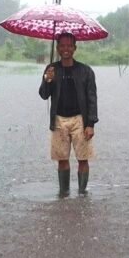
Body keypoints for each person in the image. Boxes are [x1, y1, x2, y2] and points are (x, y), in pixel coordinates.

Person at [39, 32, 98, 197]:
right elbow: (44, 95)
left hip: (80, 119)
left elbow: (92, 98)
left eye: (69, 46)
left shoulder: (86, 71)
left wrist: (90, 124)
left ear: (75, 48)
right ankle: (64, 194)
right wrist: (47, 80)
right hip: (58, 120)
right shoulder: (51, 69)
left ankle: (81, 194)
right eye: (62, 46)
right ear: (57, 48)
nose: (66, 49)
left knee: (83, 159)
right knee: (62, 159)